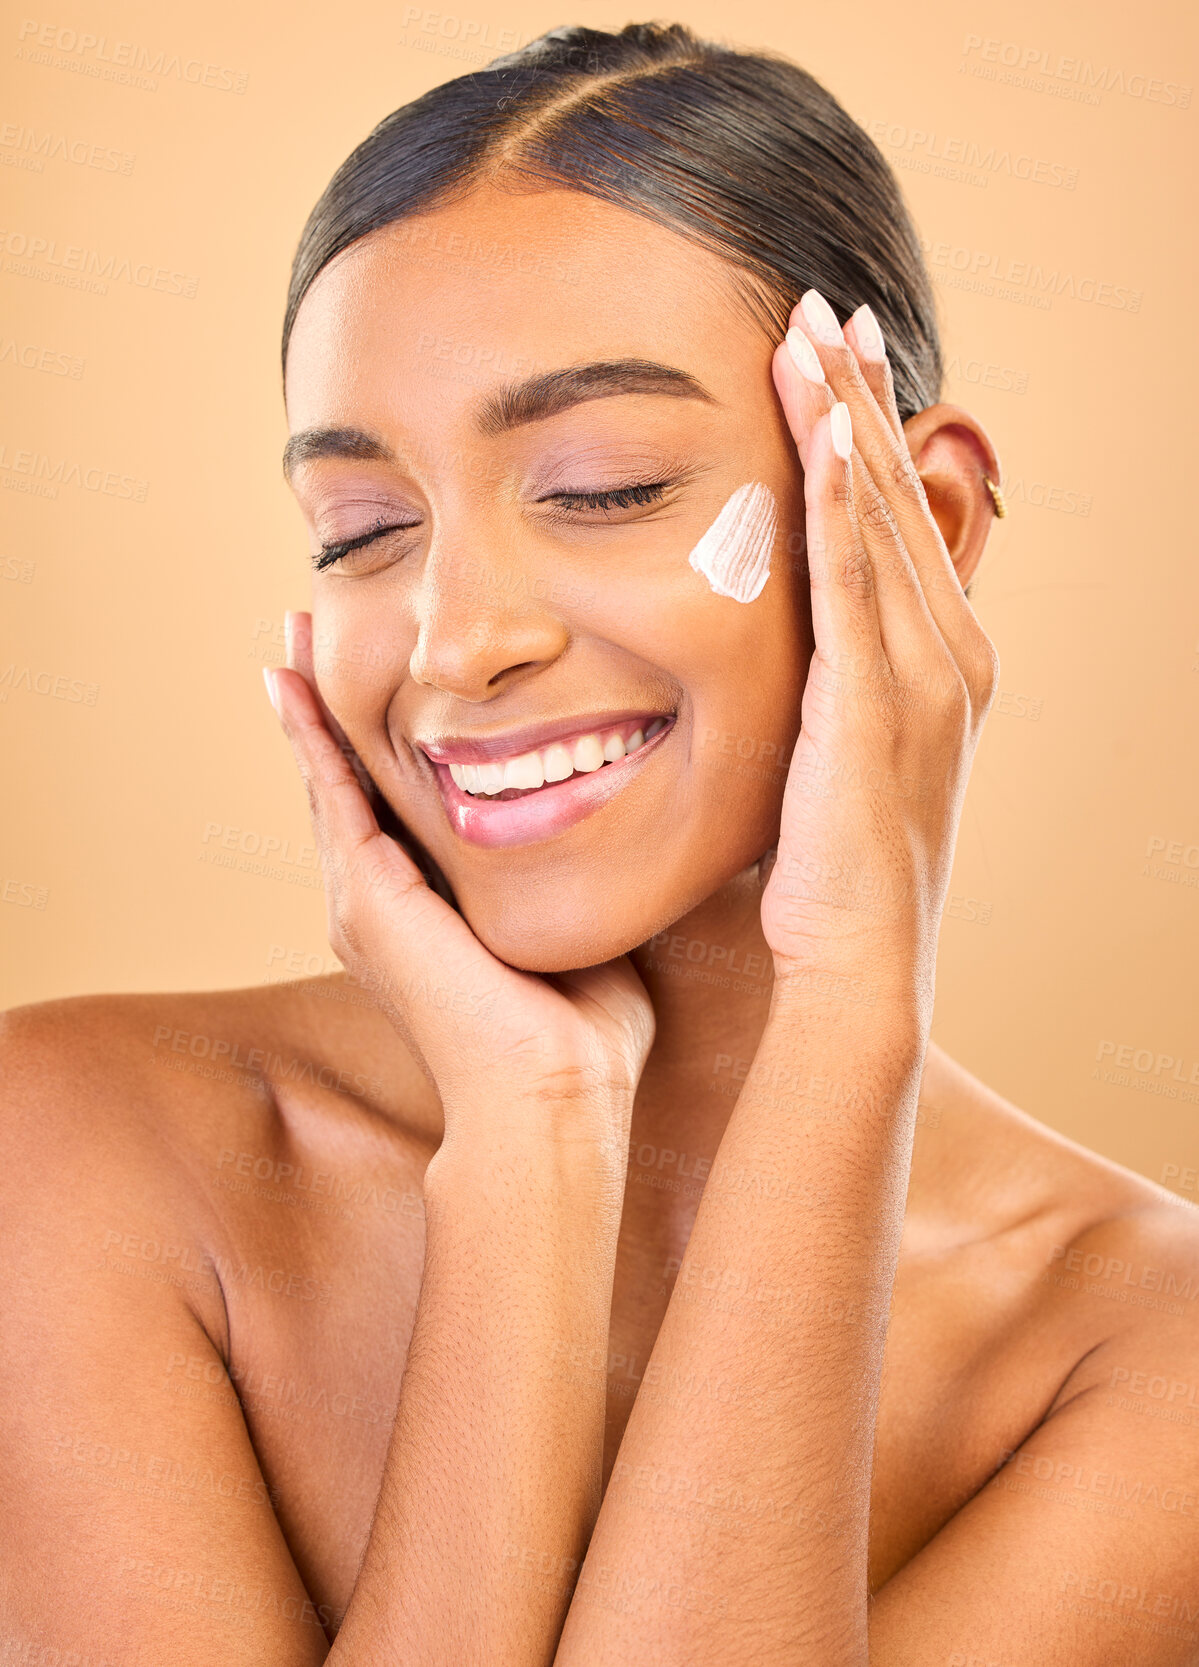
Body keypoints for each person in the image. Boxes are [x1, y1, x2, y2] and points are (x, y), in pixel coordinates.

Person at [3, 21, 1196, 1665]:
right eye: (365, 528)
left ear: (920, 523)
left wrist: (852, 1005)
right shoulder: (73, 1153)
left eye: (600, 484)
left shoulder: (1145, 1351)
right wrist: (529, 1145)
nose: (449, 641)